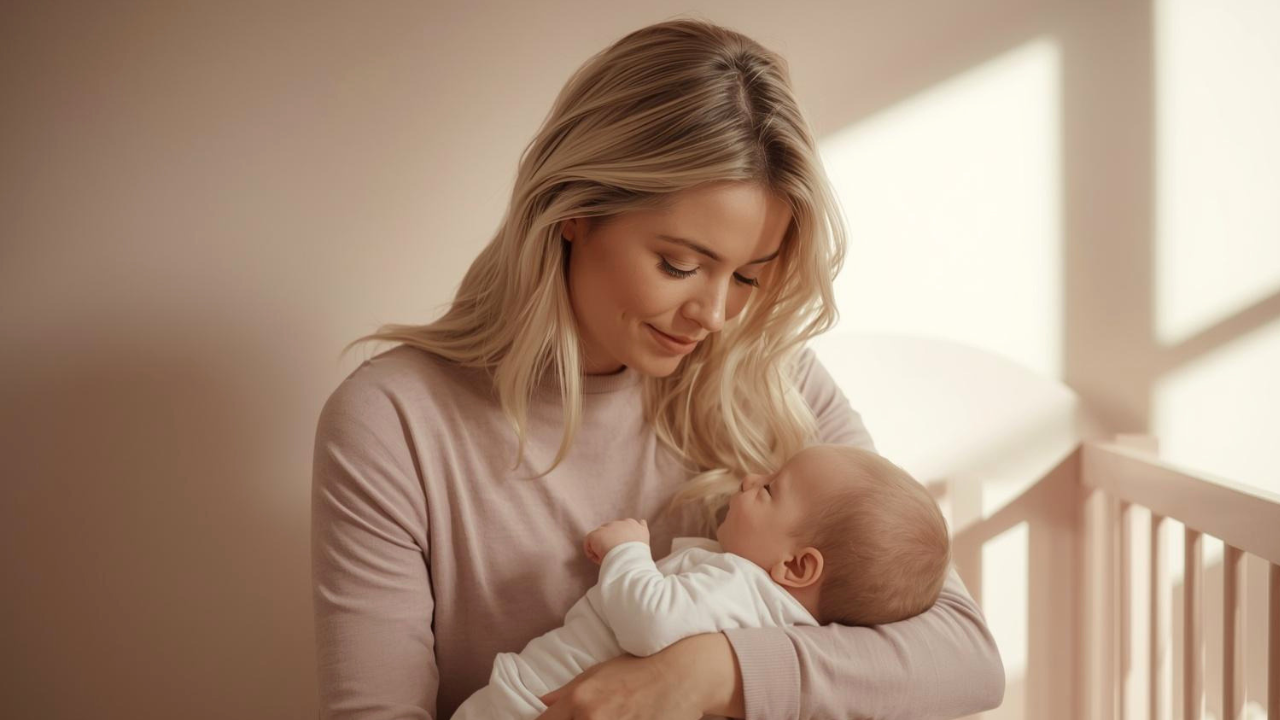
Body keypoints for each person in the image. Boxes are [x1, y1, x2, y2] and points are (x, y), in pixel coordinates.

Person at [311, 16, 1004, 720]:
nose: (716, 315)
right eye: (680, 264)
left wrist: (706, 673)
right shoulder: (394, 421)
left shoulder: (774, 381)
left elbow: (964, 657)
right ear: (574, 211)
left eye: (748, 276)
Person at [447, 444, 952, 720]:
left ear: (797, 567)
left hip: (529, 702)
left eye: (770, 489)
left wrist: (627, 550)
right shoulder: (780, 624)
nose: (750, 479)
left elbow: (649, 621)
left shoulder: (742, 585)